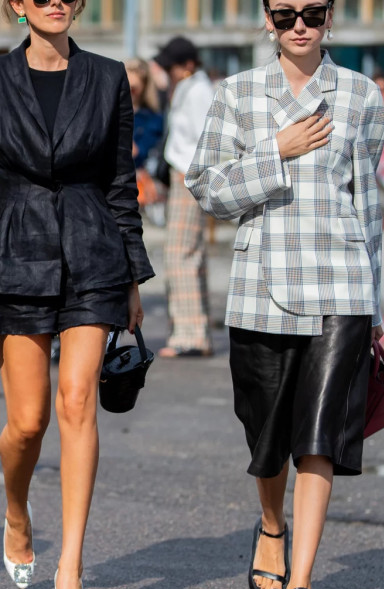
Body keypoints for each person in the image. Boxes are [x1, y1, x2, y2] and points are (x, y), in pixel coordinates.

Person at [0, 0, 154, 589]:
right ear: (18, 4)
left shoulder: (109, 76)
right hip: (15, 254)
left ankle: (71, 567)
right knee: (28, 421)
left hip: (94, 254)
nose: (55, 1)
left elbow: (122, 184)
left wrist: (133, 278)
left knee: (76, 401)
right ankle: (17, 511)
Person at [185, 2, 384, 589]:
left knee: (320, 436)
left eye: (314, 13)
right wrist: (277, 151)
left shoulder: (361, 95)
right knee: (266, 441)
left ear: (331, 19)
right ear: (267, 20)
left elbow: (368, 204)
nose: (300, 25)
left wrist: (376, 308)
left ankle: (300, 582)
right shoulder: (236, 93)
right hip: (261, 288)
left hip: (341, 283)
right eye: (285, 14)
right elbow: (208, 188)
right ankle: (272, 526)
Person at [155, 36, 214, 358]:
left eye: (173, 66)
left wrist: (192, 175)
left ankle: (190, 335)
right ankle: (192, 331)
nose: (170, 72)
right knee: (187, 254)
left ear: (188, 65)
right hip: (184, 175)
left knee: (181, 256)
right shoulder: (191, 88)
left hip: (189, 176)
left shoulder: (200, 90)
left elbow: (207, 139)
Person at [124, 58, 165, 209]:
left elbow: (139, 152)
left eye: (133, 88)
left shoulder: (152, 119)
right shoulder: (107, 112)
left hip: (140, 188)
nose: (128, 92)